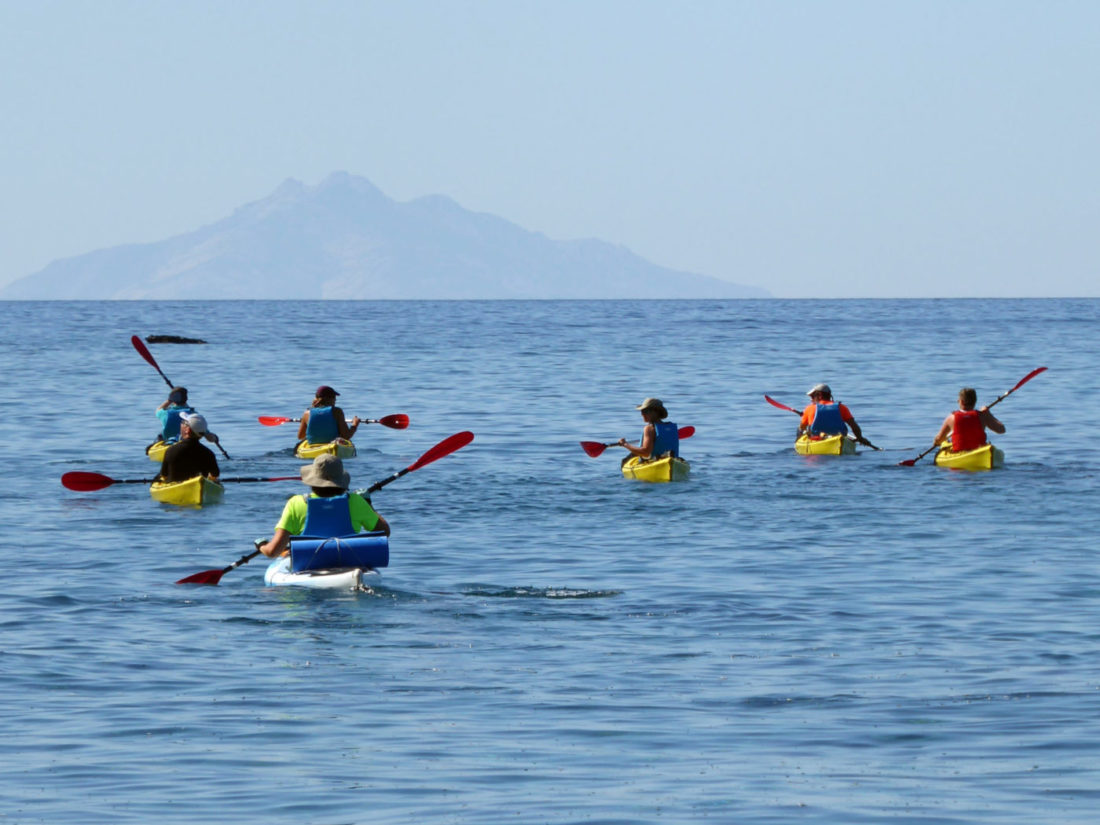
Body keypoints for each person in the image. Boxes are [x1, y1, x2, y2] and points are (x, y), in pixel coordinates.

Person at [258, 454, 390, 558]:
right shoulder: (356, 501)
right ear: (341, 480)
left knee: (284, 552)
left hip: (307, 565)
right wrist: (368, 504)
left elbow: (272, 552)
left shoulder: (296, 503)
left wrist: (262, 545)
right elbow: (384, 532)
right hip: (347, 562)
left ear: (312, 481)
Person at [799, 383, 874, 447]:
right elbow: (854, 427)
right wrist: (860, 438)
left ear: (819, 395)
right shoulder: (842, 407)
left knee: (801, 431)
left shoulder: (809, 409)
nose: (811, 400)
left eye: (812, 396)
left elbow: (802, 428)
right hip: (839, 439)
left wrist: (799, 439)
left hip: (817, 441)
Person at [933, 387, 1005, 451]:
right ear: (975, 401)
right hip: (980, 451)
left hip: (959, 453)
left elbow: (939, 439)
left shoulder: (951, 418)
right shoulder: (982, 416)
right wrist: (989, 414)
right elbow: (1001, 430)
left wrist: (937, 442)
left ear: (961, 401)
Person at [158, 413, 220, 483]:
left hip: (175, 487)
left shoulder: (171, 450)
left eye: (182, 422)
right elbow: (215, 475)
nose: (180, 424)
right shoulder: (209, 454)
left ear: (188, 430)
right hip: (200, 485)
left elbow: (164, 474)